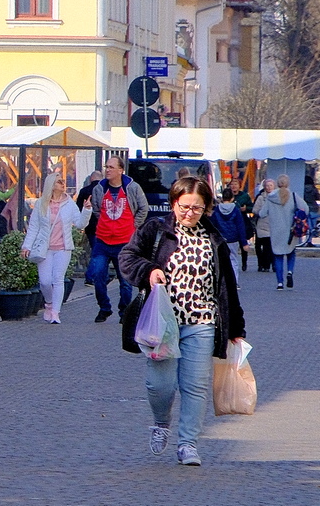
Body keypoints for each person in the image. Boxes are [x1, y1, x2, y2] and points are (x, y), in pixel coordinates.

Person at [118, 176, 246, 467]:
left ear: (206, 208)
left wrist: (236, 328)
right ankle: (161, 422)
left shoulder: (214, 238)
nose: (190, 213)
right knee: (159, 385)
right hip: (163, 323)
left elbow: (226, 284)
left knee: (196, 385)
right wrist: (149, 271)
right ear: (174, 203)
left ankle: (188, 444)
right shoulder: (156, 230)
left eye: (197, 208)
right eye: (184, 206)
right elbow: (127, 258)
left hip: (202, 320)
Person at [83, 156, 148, 323]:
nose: (108, 170)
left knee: (125, 281)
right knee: (98, 275)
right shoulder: (99, 189)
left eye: (112, 167)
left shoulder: (132, 188)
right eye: (106, 167)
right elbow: (97, 210)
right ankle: (104, 308)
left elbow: (143, 208)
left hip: (125, 242)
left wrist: (134, 224)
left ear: (121, 170)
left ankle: (124, 311)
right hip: (103, 241)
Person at [22, 174, 86, 323]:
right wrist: (26, 246)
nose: (63, 184)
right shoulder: (41, 204)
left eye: (63, 181)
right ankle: (49, 303)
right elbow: (33, 227)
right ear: (51, 185)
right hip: (45, 247)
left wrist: (87, 211)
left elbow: (80, 224)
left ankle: (55, 313)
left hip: (63, 248)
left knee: (58, 280)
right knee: (45, 281)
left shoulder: (69, 203)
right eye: (59, 182)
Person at [257, 176, 299, 290]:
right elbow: (305, 208)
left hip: (275, 232)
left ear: (277, 184)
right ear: (288, 184)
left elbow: (262, 213)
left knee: (278, 256)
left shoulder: (270, 197)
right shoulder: (294, 195)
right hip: (290, 231)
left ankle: (280, 283)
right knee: (291, 253)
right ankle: (290, 272)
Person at [211, 188, 250, 279]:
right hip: (233, 239)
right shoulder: (236, 210)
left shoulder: (217, 210)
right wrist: (244, 242)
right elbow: (240, 227)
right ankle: (234, 281)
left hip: (221, 239)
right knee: (233, 260)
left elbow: (213, 225)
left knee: (221, 261)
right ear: (232, 198)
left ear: (222, 198)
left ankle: (223, 282)